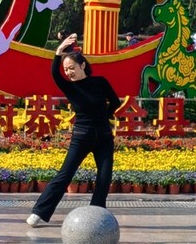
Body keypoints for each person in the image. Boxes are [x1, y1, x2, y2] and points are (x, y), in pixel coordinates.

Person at [27, 34, 124, 227]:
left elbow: (115, 102)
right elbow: (55, 73)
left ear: (83, 66)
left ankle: (97, 213)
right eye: (66, 69)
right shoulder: (70, 87)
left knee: (104, 176)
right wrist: (58, 52)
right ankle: (39, 212)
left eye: (71, 68)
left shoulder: (100, 82)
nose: (68, 72)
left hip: (104, 136)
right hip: (81, 136)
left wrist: (104, 116)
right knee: (65, 175)